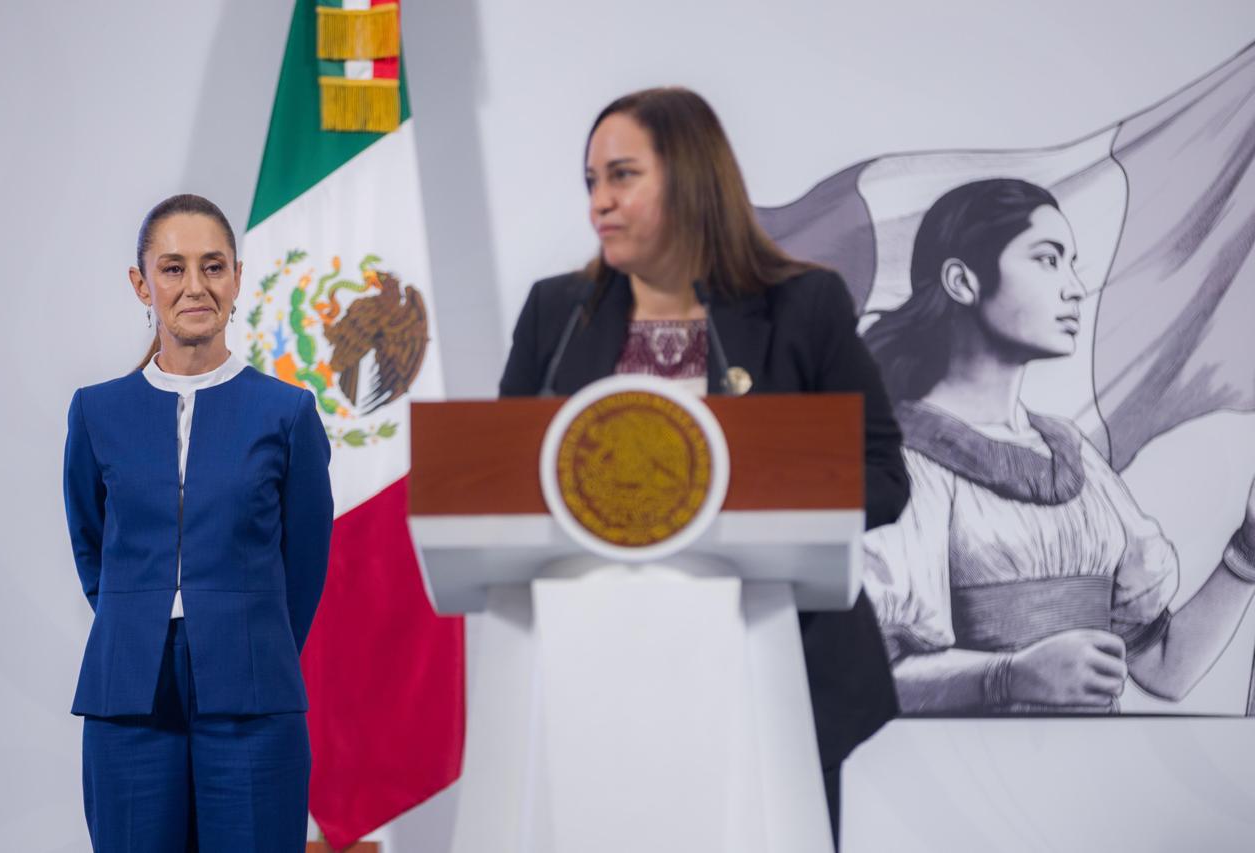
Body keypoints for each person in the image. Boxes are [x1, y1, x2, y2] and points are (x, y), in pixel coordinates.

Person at [498, 87, 911, 841]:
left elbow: (882, 474)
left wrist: (754, 501)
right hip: (600, 680)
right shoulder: (558, 315)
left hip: (776, 672)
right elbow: (500, 484)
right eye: (591, 181)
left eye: (622, 176)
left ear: (690, 177)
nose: (599, 201)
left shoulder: (803, 306)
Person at [860, 178, 1255, 714]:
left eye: (1073, 265)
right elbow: (861, 676)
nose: (1074, 288)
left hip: (1090, 764)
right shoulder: (899, 458)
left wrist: (1249, 549)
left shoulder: (1073, 455)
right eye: (1048, 260)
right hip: (966, 764)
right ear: (961, 281)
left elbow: (1165, 670)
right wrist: (1007, 677)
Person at [63, 194, 334, 851]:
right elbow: (92, 545)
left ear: (237, 278)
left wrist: (250, 635)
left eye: (213, 266)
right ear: (142, 284)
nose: (195, 286)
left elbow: (305, 563)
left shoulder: (287, 413)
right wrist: (139, 616)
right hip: (128, 694)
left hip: (253, 691)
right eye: (173, 267)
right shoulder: (97, 412)